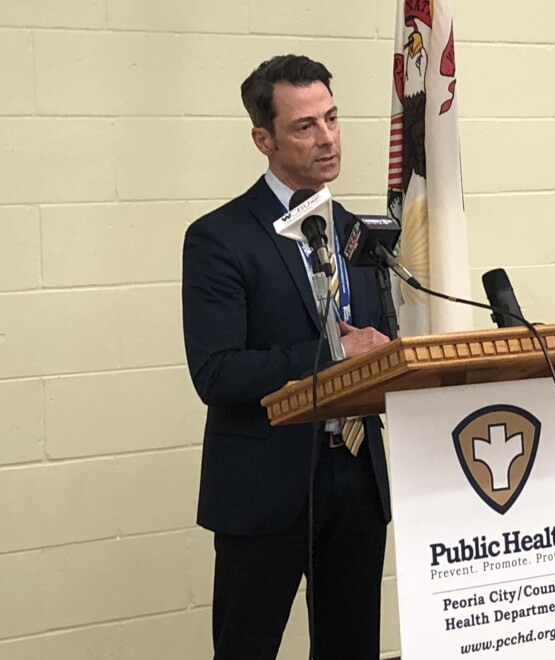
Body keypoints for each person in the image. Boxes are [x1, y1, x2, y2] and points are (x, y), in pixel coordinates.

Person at [181, 54, 392, 660]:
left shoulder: (358, 232)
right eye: (305, 126)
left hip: (355, 475)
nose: (327, 138)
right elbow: (216, 372)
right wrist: (333, 353)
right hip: (265, 484)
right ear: (263, 139)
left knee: (351, 647)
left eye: (332, 118)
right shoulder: (221, 237)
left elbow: (376, 345)